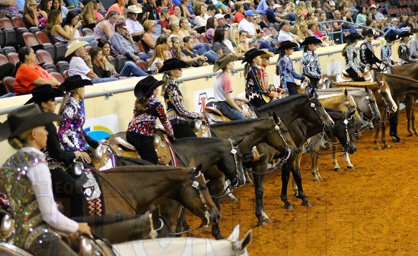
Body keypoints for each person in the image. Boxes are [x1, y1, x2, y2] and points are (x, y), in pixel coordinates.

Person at [0, 104, 91, 255]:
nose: (47, 133)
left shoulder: (9, 164)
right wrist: (77, 227)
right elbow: (49, 215)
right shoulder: (36, 165)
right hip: (39, 239)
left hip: (18, 239)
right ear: (34, 134)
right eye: (43, 129)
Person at [25, 84, 86, 218]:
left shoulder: (35, 119)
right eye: (52, 100)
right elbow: (57, 154)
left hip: (33, 164)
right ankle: (76, 228)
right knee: (77, 192)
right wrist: (75, 154)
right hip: (48, 167)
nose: (56, 102)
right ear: (44, 104)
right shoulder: (48, 125)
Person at [127, 76, 174, 164]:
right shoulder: (157, 104)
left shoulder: (138, 101)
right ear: (154, 90)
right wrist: (171, 134)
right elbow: (165, 121)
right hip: (143, 136)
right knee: (152, 161)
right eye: (157, 88)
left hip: (130, 133)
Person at [160, 58, 203, 138]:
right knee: (195, 144)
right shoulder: (172, 87)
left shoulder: (171, 86)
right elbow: (180, 110)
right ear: (172, 72)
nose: (181, 71)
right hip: (177, 122)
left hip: (175, 121)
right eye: (179, 69)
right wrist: (196, 114)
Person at [58, 75, 101, 153]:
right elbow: (61, 133)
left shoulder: (76, 105)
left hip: (81, 147)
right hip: (75, 150)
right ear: (78, 90)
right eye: (83, 88)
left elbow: (79, 130)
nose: (84, 91)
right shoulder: (70, 108)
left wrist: (97, 143)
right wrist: (76, 151)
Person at [214, 54, 251, 120]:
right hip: (225, 107)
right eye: (231, 62)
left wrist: (240, 99)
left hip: (218, 105)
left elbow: (224, 96)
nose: (233, 63)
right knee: (245, 122)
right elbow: (228, 99)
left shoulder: (218, 76)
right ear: (227, 66)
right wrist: (241, 111)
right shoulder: (226, 79)